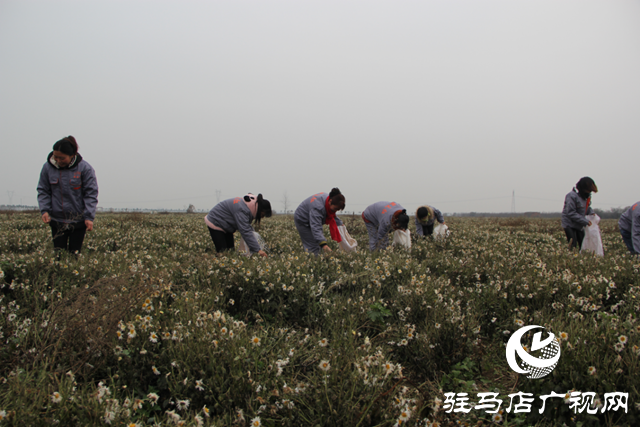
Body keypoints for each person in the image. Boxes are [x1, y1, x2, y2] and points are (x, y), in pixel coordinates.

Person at [37, 136, 99, 254]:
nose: (58, 160)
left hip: (78, 220)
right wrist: (44, 210)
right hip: (56, 220)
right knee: (58, 254)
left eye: (62, 158)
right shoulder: (47, 167)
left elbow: (90, 194)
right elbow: (43, 190)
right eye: (56, 157)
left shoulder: (85, 168)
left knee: (74, 255)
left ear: (72, 155)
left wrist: (89, 217)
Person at [205, 194, 272, 257]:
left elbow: (247, 228)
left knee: (230, 252)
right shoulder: (242, 210)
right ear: (259, 210)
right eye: (262, 215)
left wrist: (255, 243)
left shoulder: (249, 206)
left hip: (227, 225)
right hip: (216, 221)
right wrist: (258, 250)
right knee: (223, 253)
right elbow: (245, 231)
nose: (262, 217)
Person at [294, 188, 345, 255]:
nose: (335, 212)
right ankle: (313, 262)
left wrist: (340, 224)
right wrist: (324, 245)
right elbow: (316, 227)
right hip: (302, 219)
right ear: (330, 201)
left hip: (311, 216)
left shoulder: (330, 199)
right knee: (312, 246)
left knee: (318, 244)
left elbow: (332, 215)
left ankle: (319, 259)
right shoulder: (318, 208)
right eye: (335, 209)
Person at [561, 177, 597, 250]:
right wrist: (585, 221)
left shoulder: (587, 197)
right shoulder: (571, 196)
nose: (589, 192)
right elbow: (571, 213)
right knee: (572, 244)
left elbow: (587, 208)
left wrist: (592, 213)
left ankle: (583, 258)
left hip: (579, 224)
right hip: (569, 224)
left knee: (583, 244)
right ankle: (571, 258)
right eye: (588, 190)